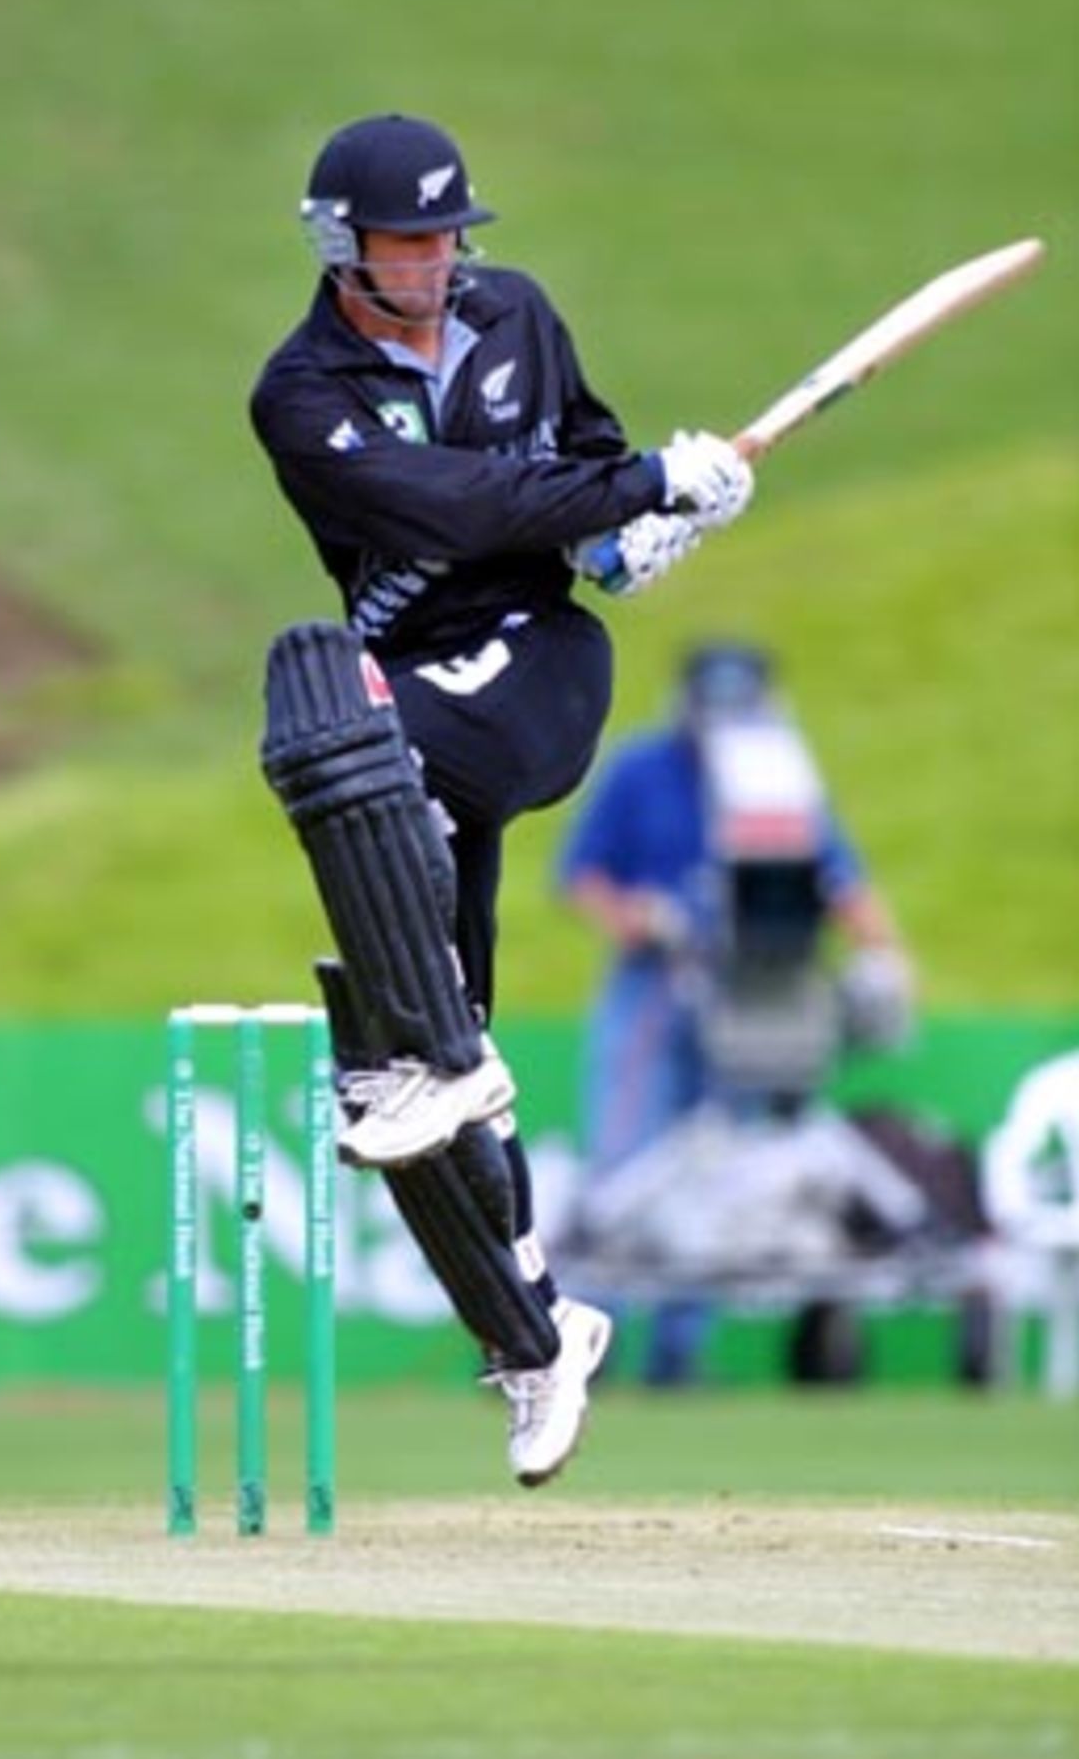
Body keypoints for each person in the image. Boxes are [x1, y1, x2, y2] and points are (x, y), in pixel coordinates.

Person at [249, 111, 755, 1485]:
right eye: (409, 239)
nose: (435, 259)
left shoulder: (518, 315)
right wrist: (638, 482)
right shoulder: (301, 394)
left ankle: (439, 1063)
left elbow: (577, 470)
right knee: (419, 1006)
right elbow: (459, 508)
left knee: (349, 732)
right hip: (416, 688)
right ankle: (536, 1333)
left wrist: (636, 532)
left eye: (449, 235)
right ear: (343, 246)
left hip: (536, 670)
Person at [556, 641, 914, 1383]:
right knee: (629, 1162)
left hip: (750, 991)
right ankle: (582, 1341)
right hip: (655, 987)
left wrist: (886, 960)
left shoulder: (779, 776)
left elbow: (838, 878)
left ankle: (679, 1355)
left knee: (724, 1170)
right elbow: (582, 874)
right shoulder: (641, 768)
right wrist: (637, 918)